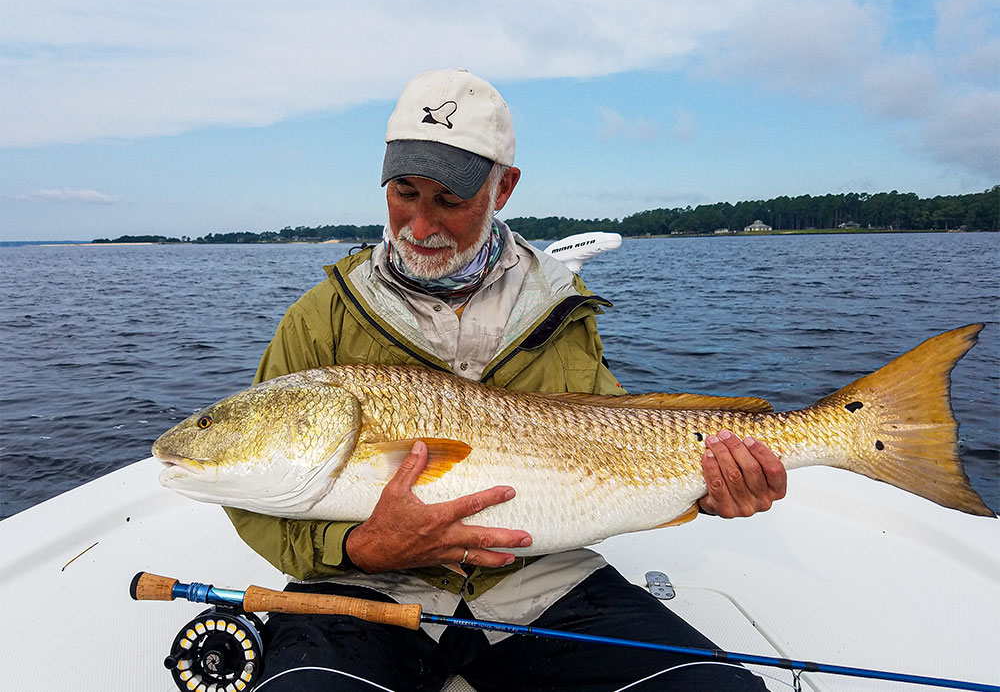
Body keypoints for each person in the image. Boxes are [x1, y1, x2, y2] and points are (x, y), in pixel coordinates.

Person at [225, 69, 787, 691]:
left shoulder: (561, 303)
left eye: (450, 200)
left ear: (505, 187)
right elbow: (251, 490)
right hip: (366, 589)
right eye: (403, 192)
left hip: (541, 574)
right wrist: (360, 548)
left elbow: (613, 445)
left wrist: (709, 490)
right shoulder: (319, 318)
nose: (419, 224)